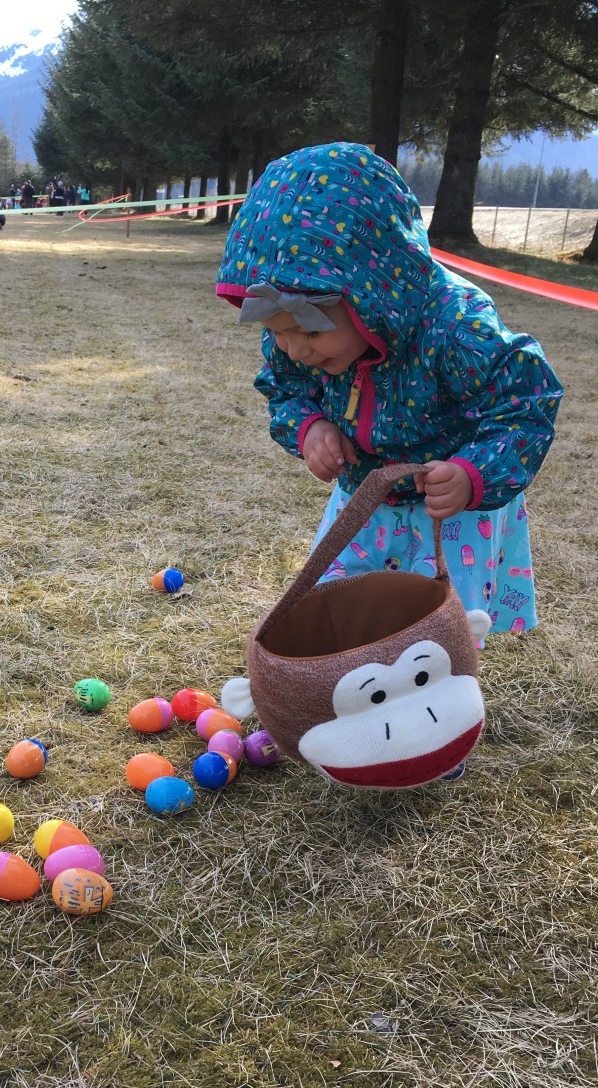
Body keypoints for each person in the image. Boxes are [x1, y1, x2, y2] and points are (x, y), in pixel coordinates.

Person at [216, 142, 563, 693]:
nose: (294, 348)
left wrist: (472, 474)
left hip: (449, 507)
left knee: (437, 623)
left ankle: (434, 718)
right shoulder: (295, 337)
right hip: (365, 498)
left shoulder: (456, 328)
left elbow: (525, 403)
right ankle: (353, 700)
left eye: (307, 331)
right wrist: (308, 426)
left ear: (370, 299)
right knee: (343, 601)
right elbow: (283, 388)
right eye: (277, 331)